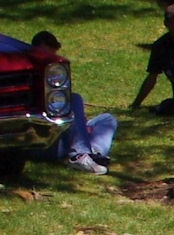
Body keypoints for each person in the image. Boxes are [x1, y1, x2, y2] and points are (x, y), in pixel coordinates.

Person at [31, 31, 116, 175]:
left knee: (107, 119)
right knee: (74, 98)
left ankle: (93, 152)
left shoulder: (54, 74)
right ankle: (79, 155)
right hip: (46, 141)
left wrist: (79, 123)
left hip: (63, 132)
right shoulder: (28, 75)